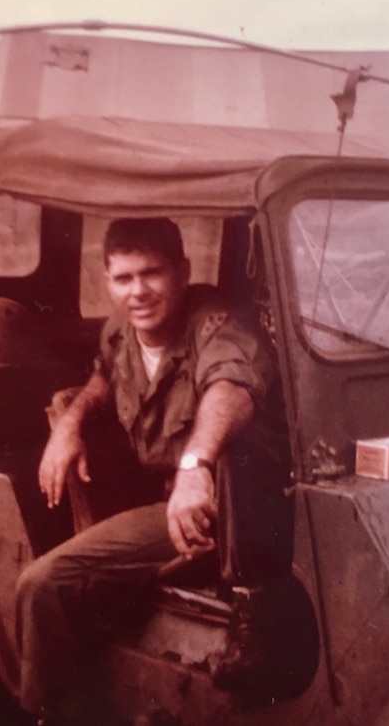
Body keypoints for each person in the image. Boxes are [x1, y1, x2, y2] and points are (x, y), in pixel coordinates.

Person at [16, 217, 293, 723]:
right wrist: (70, 422)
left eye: (152, 273)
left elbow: (230, 387)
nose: (138, 291)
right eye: (123, 278)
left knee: (42, 585)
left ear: (183, 272)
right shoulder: (122, 330)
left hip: (233, 517)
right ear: (107, 282)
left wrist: (194, 465)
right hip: (174, 503)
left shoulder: (219, 325)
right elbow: (105, 373)